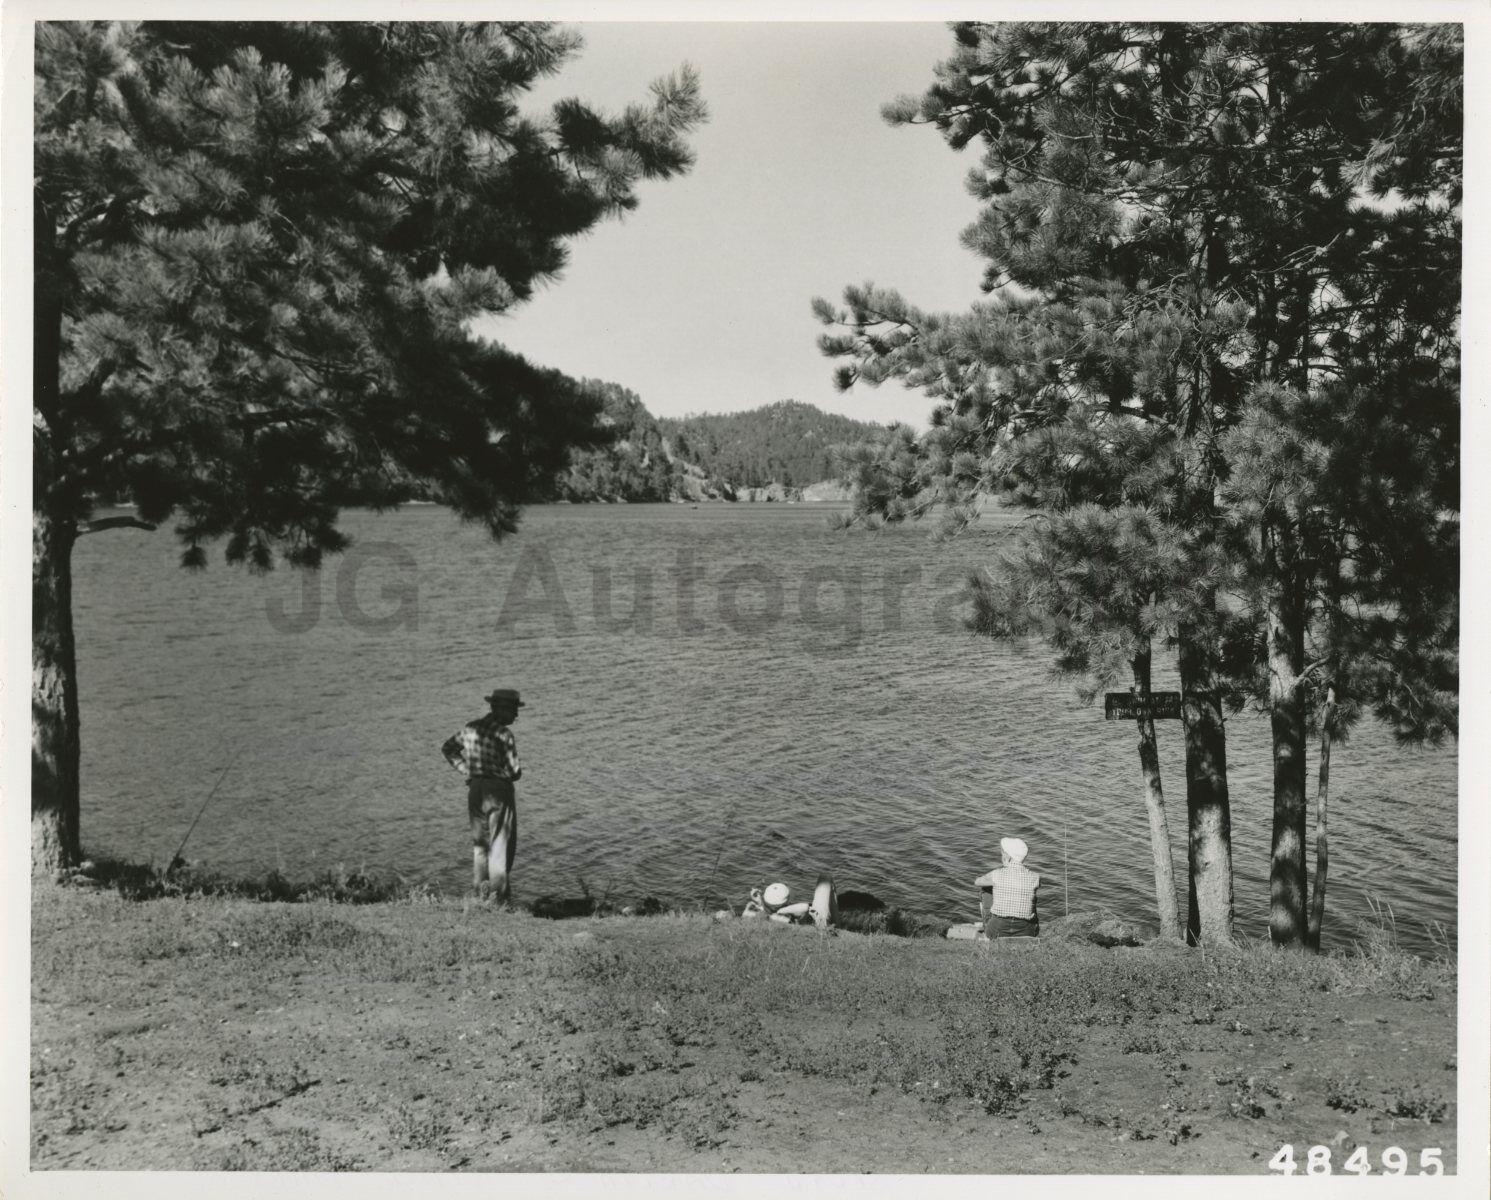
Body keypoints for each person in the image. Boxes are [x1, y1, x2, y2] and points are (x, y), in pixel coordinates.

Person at [441, 687, 524, 900]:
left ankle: (480, 896)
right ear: (502, 710)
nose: (516, 715)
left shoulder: (470, 728)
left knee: (480, 845)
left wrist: (467, 771)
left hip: (476, 789)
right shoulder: (504, 735)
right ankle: (499, 899)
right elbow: (515, 772)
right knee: (500, 844)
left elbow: (448, 748)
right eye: (514, 710)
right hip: (498, 791)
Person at [975, 836, 1040, 939]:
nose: (1001, 855)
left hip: (997, 930)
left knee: (986, 889)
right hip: (1027, 930)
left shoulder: (996, 874)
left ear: (1008, 857)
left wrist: (994, 881)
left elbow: (977, 882)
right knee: (1032, 895)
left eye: (1002, 853)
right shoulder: (1035, 877)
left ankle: (987, 923)